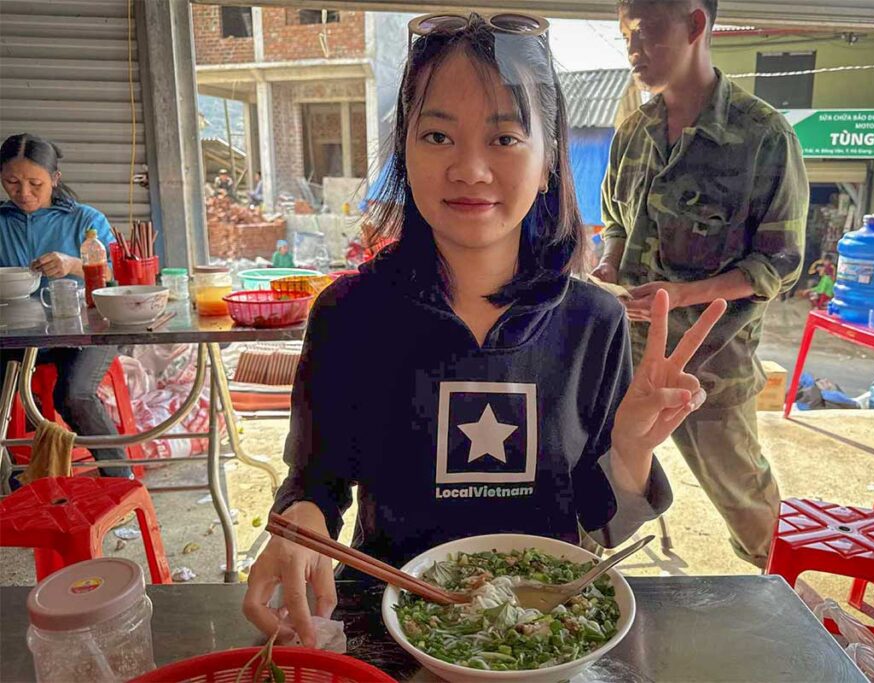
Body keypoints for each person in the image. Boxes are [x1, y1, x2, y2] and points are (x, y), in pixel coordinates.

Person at [243, 12, 726, 647]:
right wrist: (301, 523)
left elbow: (602, 528)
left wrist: (631, 448)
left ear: (550, 156)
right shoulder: (348, 314)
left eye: (504, 139)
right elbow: (316, 478)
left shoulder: (593, 322)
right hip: (393, 622)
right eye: (438, 136)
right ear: (404, 148)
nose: (470, 168)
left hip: (546, 632)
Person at [593, 0, 808, 568]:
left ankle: (790, 597)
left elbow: (778, 263)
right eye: (626, 37)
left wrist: (682, 294)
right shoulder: (634, 132)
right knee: (600, 486)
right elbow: (617, 221)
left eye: (646, 34)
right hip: (625, 354)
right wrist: (611, 264)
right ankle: (578, 598)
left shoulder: (763, 136)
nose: (633, 50)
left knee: (744, 500)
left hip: (708, 361)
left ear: (694, 25)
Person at [0, 133, 132, 478]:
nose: (23, 193)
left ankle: (120, 478)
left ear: (54, 179)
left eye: (35, 183)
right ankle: (13, 477)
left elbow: (122, 273)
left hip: (87, 328)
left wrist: (74, 264)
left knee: (73, 393)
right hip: (19, 332)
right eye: (12, 182)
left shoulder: (84, 220)